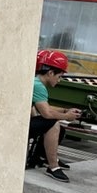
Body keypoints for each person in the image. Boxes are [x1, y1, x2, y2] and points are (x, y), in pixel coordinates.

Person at [29, 50, 82, 182]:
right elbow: (47, 114)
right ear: (50, 73)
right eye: (59, 76)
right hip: (17, 125)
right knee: (53, 123)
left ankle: (43, 158)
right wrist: (67, 116)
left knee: (60, 129)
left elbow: (43, 108)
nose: (59, 80)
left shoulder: (35, 82)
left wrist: (65, 111)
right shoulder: (38, 86)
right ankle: (53, 167)